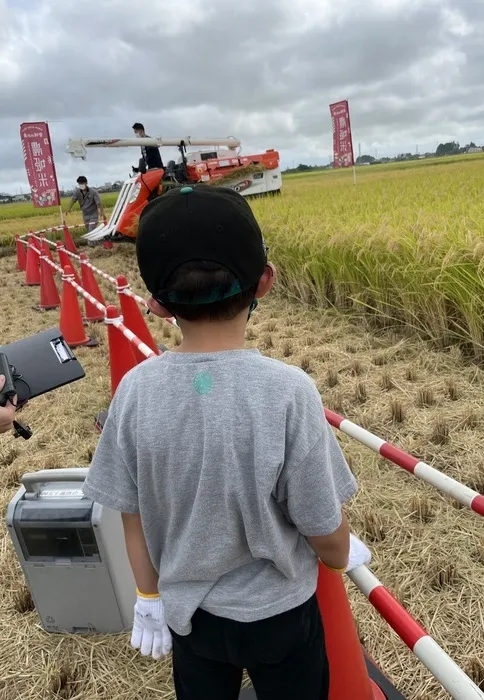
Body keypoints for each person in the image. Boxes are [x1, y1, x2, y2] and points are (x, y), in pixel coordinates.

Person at [82, 185, 360, 700]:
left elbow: (132, 513)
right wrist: (341, 556)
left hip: (191, 618)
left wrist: (148, 594)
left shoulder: (136, 390)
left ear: (157, 304)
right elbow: (323, 528)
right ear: (265, 282)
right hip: (280, 617)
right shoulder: (287, 390)